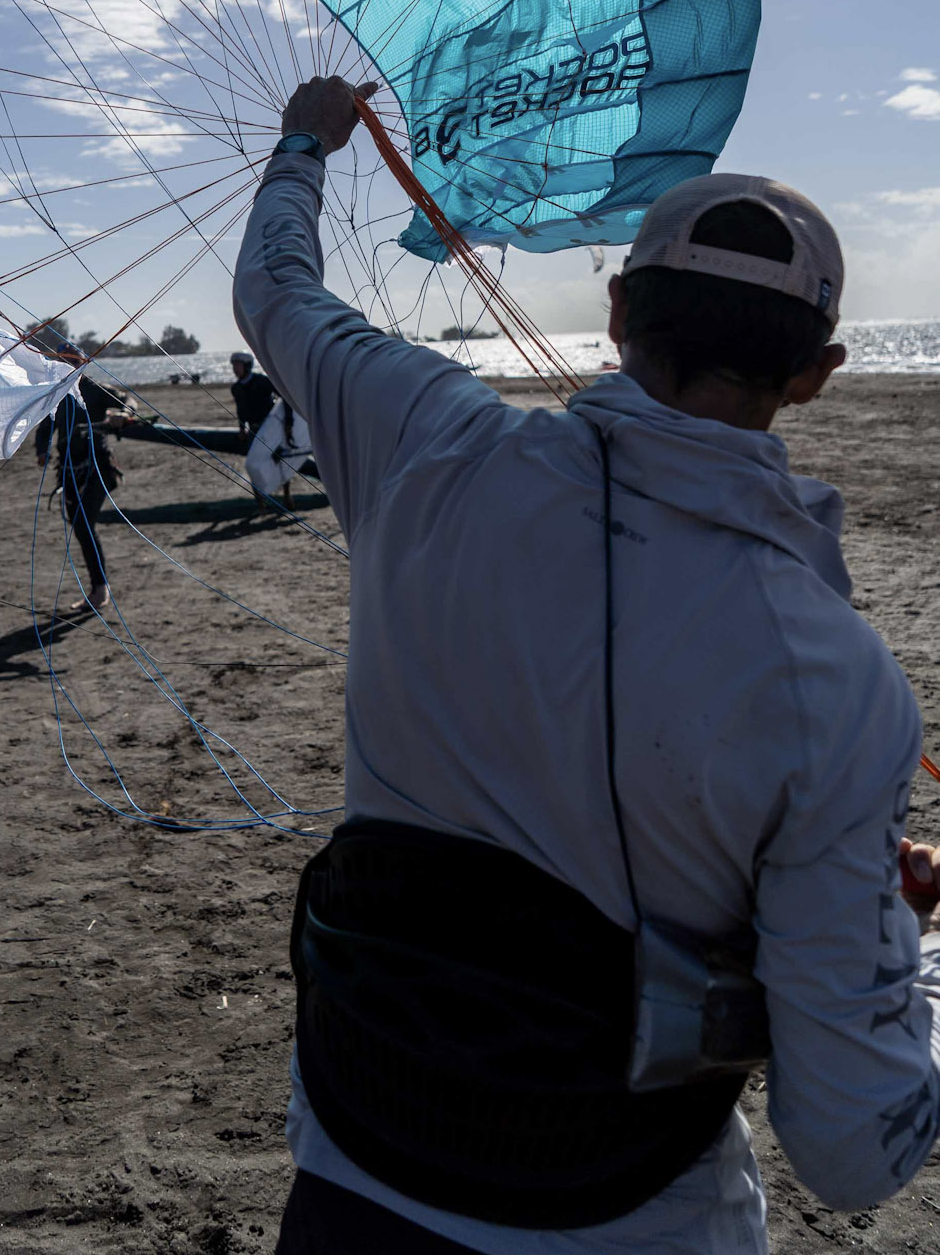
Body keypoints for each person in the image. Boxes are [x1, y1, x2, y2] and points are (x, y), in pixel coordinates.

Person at [233, 75, 940, 1255]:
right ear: (817, 369)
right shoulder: (836, 681)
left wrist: (304, 144)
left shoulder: (423, 435)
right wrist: (906, 957)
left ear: (618, 313)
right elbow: (854, 1148)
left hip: (353, 1173)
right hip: (624, 1218)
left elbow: (278, 290)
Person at [34, 358, 123, 614]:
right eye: (62, 364)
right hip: (69, 471)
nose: (66, 368)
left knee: (84, 525)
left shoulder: (96, 390)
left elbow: (127, 401)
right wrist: (42, 450)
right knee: (80, 527)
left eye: (71, 364)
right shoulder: (59, 394)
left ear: (81, 365)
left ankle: (100, 590)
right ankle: (98, 588)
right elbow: (46, 426)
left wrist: (123, 414)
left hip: (98, 469)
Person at [230, 351, 275, 442]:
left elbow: (284, 397)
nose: (235, 368)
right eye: (234, 365)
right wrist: (242, 429)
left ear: (247, 366)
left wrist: (288, 422)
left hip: (271, 424)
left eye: (238, 365)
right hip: (253, 427)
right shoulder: (236, 388)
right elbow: (240, 410)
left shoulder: (262, 381)